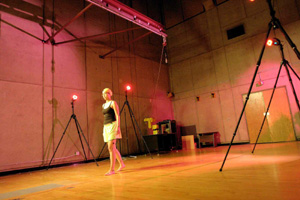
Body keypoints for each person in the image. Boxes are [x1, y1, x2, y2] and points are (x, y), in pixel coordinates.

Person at [102, 88, 125, 176]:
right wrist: (104, 129)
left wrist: (118, 127)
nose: (105, 95)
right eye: (103, 94)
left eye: (107, 93)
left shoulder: (113, 103)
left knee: (110, 148)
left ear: (110, 94)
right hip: (106, 126)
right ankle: (122, 163)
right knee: (113, 148)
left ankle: (112, 169)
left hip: (113, 125)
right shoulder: (103, 105)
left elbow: (117, 115)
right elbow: (105, 117)